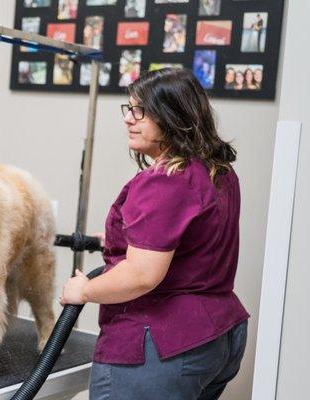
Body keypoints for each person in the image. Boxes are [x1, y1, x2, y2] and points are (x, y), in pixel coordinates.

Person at [60, 68, 249, 400]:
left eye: (140, 111)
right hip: (217, 336)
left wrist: (84, 290)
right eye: (128, 110)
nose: (128, 120)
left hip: (161, 344)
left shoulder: (165, 181)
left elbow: (142, 275)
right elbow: (195, 238)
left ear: (173, 116)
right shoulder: (216, 170)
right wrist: (119, 240)